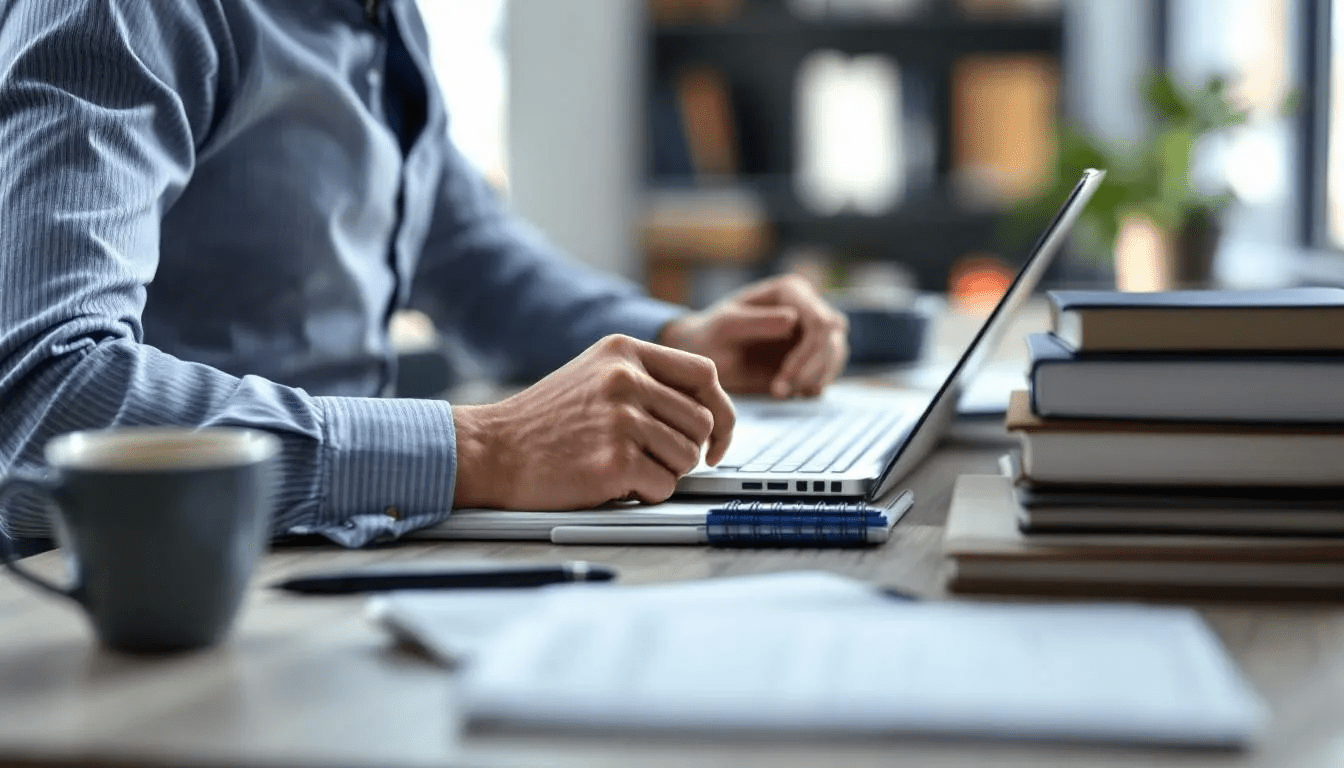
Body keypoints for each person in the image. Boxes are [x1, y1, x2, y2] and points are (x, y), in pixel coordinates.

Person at [0, 0, 847, 549]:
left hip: (333, 553)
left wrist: (676, 338)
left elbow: (466, 253)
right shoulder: (123, 15)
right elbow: (42, 398)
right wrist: (484, 449)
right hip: (133, 603)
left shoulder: (378, 17)